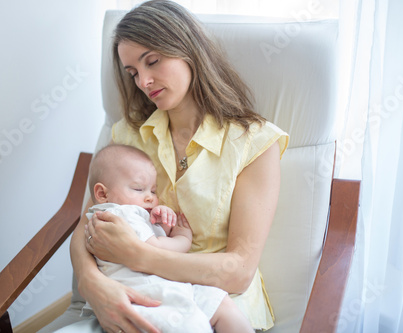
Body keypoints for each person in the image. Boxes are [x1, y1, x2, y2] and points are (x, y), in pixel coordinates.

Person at [68, 1, 289, 332]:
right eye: (133, 73)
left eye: (152, 61)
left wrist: (139, 256)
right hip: (139, 297)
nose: (143, 81)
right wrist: (91, 284)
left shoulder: (254, 142)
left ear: (188, 50)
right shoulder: (127, 135)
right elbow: (88, 225)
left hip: (220, 307)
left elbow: (240, 270)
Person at [78, 143, 254, 333]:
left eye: (153, 191)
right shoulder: (120, 214)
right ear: (102, 194)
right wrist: (182, 237)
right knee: (196, 320)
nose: (149, 198)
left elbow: (145, 240)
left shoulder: (118, 214)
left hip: (163, 285)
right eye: (138, 189)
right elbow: (156, 248)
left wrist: (162, 225)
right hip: (146, 294)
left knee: (217, 300)